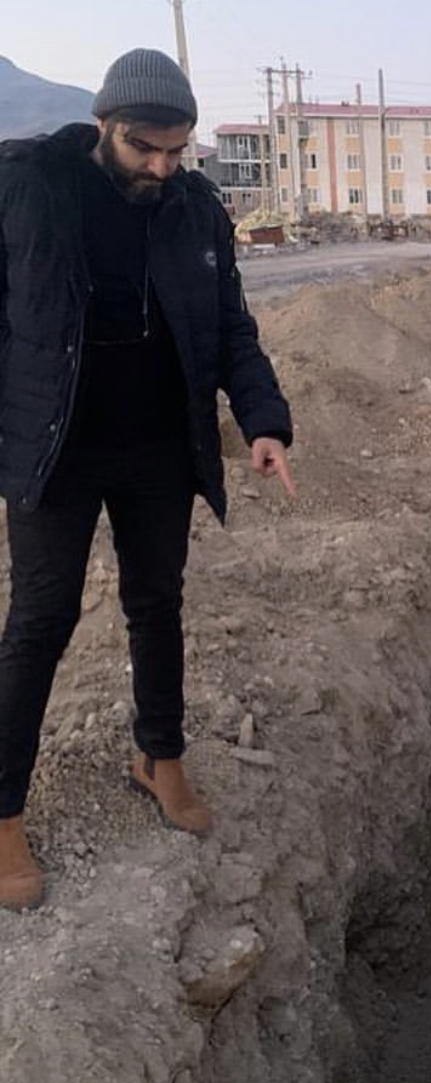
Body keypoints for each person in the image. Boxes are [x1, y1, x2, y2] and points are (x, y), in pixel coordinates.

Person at [0, 48, 295, 910]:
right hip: (56, 445)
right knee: (40, 621)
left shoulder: (195, 210)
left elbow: (231, 328)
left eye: (176, 151)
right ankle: (4, 811)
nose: (161, 168)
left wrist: (264, 421)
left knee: (157, 602)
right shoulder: (30, 188)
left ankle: (159, 756)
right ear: (104, 125)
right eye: (144, 148)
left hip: (159, 445)